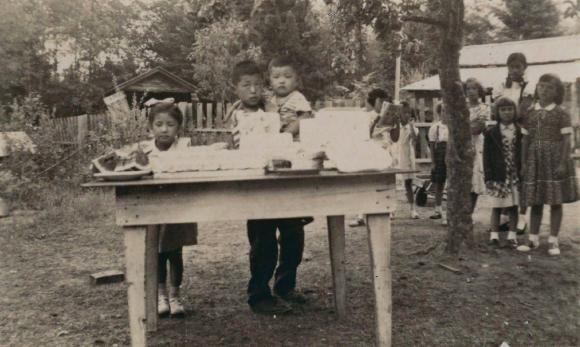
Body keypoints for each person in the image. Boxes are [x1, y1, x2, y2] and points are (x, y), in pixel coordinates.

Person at [229, 59, 310, 314]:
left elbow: (301, 123)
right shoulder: (236, 114)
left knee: (294, 235)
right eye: (246, 85)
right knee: (263, 241)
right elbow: (237, 146)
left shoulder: (273, 106)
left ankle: (285, 285)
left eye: (257, 85)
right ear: (236, 89)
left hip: (285, 182)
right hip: (258, 186)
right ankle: (259, 293)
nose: (253, 90)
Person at [143, 101, 198, 317]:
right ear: (150, 127)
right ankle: (160, 297)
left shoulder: (184, 147)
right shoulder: (145, 150)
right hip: (154, 208)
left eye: (170, 125)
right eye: (159, 124)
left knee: (175, 253)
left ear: (179, 128)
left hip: (178, 207)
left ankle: (175, 297)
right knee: (156, 254)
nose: (164, 129)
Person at [517, 74, 578, 256]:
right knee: (536, 201)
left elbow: (567, 140)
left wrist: (562, 163)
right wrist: (524, 163)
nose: (544, 90)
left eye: (549, 87)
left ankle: (553, 240)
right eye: (541, 86)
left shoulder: (561, 113)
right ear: (536, 88)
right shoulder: (529, 112)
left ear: (557, 92)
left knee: (555, 201)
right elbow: (525, 140)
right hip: (535, 160)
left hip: (554, 160)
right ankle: (533, 238)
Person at [494, 52, 534, 233]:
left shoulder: (529, 87)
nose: (514, 70)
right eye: (511, 66)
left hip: (522, 134)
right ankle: (504, 216)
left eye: (518, 66)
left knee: (521, 174)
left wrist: (509, 112)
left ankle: (522, 217)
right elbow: (496, 109)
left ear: (524, 68)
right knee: (505, 173)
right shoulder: (502, 85)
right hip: (504, 132)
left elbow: (523, 112)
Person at [349, 88, 396, 227]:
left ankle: (386, 212)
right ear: (376, 101)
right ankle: (360, 214)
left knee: (384, 181)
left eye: (385, 102)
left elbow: (395, 137)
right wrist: (376, 121)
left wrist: (396, 123)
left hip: (385, 149)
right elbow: (365, 135)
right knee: (366, 182)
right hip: (371, 150)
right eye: (381, 101)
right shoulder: (367, 116)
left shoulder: (388, 115)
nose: (383, 104)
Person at [483, 97, 522, 248]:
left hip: (514, 173)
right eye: (503, 109)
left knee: (513, 205)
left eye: (510, 109)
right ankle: (494, 235)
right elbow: (486, 156)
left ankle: (512, 235)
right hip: (498, 173)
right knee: (497, 205)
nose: (507, 112)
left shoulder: (520, 131)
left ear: (515, 111)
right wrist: (488, 175)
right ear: (497, 112)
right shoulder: (491, 133)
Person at [265, 56, 312, 139]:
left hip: (294, 140)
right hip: (275, 140)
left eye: (287, 76)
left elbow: (305, 117)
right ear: (270, 82)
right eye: (276, 77)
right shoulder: (270, 101)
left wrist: (288, 133)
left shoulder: (297, 97)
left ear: (296, 81)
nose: (282, 81)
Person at [465, 78, 491, 212]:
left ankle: (469, 212)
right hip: (461, 145)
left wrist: (463, 127)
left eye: (474, 88)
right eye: (468, 89)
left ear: (479, 91)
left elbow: (478, 128)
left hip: (476, 145)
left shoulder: (484, 108)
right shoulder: (462, 107)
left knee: (474, 177)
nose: (471, 92)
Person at [428, 103, 448, 226]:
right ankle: (438, 209)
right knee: (439, 183)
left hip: (451, 156)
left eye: (448, 111)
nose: (445, 113)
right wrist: (433, 162)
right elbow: (432, 147)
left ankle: (449, 211)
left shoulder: (453, 127)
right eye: (443, 111)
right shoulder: (436, 127)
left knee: (450, 184)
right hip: (439, 156)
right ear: (440, 113)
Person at [398, 102, 420, 219]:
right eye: (404, 112)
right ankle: (391, 210)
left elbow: (414, 139)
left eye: (408, 113)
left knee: (408, 183)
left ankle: (412, 209)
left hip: (407, 157)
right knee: (392, 183)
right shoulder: (395, 127)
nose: (406, 115)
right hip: (396, 156)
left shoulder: (413, 128)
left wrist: (411, 125)